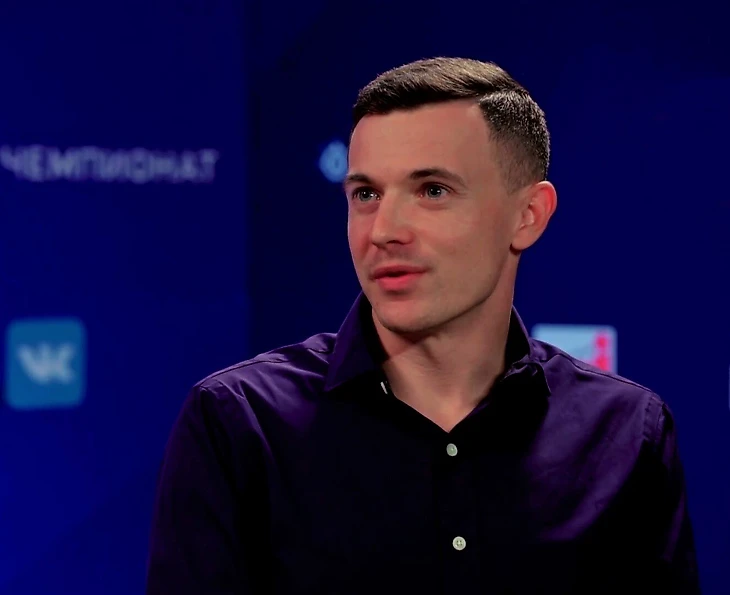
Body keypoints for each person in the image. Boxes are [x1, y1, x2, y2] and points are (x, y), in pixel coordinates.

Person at [145, 57, 701, 594]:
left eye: (432, 190)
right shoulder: (240, 424)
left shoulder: (626, 433)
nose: (384, 230)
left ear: (528, 215)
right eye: (366, 194)